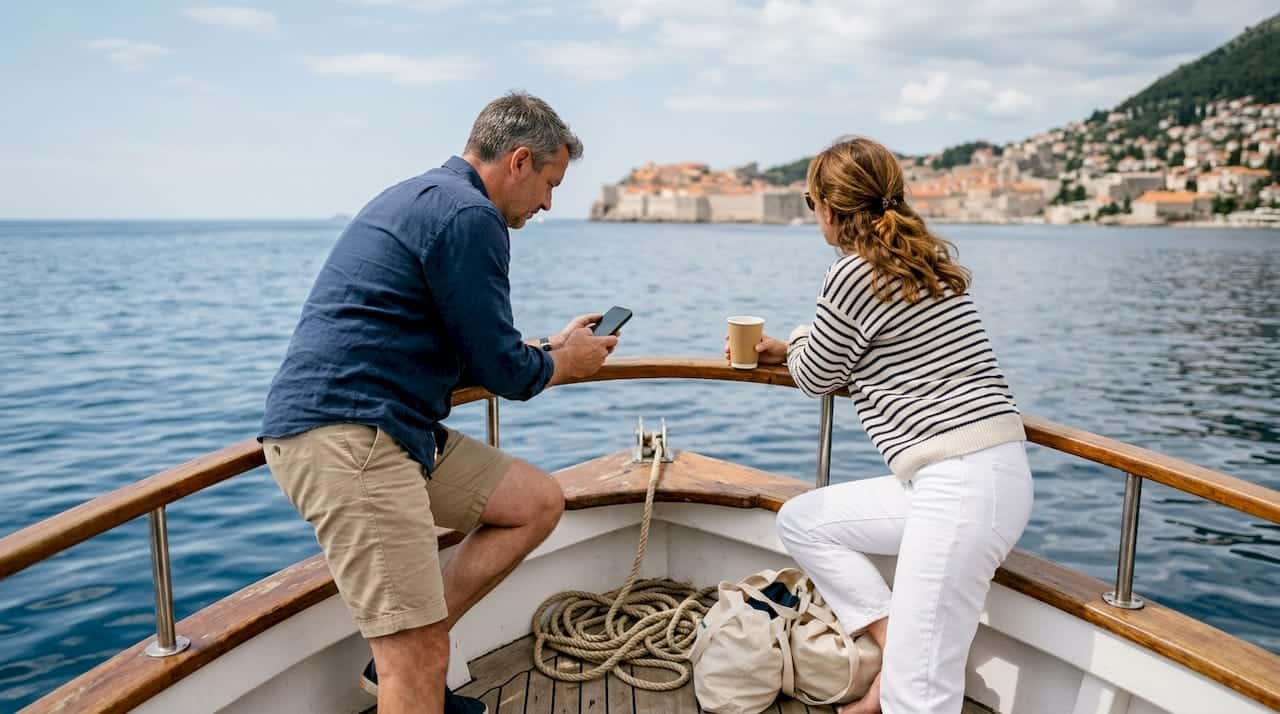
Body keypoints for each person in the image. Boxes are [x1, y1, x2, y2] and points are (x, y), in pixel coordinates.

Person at [260, 91, 618, 714]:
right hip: (352, 438)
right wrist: (569, 362)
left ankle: (404, 659)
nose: (548, 204)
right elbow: (506, 373)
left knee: (535, 502)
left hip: (384, 425)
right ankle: (409, 670)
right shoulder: (470, 217)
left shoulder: (423, 196)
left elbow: (470, 346)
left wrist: (547, 346)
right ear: (520, 161)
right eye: (549, 185)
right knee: (418, 658)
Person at [735, 136, 1034, 714]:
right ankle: (897, 645)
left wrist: (791, 341)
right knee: (805, 522)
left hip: (960, 484)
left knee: (919, 698)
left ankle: (899, 675)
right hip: (975, 475)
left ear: (828, 208)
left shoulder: (851, 274)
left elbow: (816, 373)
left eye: (810, 202)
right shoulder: (929, 267)